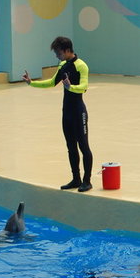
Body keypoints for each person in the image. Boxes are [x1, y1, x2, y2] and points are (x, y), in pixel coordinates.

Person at [22, 36, 93, 192]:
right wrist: (31, 83)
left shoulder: (81, 66)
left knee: (83, 146)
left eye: (58, 53)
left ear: (67, 50)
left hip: (79, 112)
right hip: (66, 113)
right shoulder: (63, 65)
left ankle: (87, 181)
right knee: (71, 147)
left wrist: (70, 87)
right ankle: (76, 179)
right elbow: (51, 82)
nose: (57, 56)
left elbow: (84, 87)